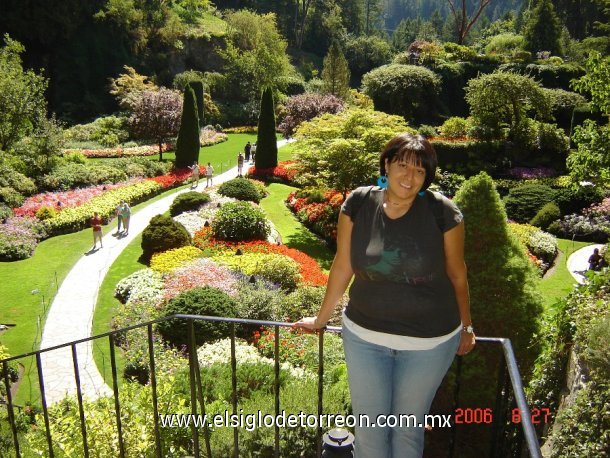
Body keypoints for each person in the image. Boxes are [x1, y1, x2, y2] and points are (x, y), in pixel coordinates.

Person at [295, 133, 475, 458]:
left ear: (427, 177)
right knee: (370, 434)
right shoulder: (360, 203)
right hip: (364, 337)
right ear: (387, 165)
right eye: (402, 166)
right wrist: (321, 319)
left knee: (406, 433)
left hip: (429, 344)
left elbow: (457, 274)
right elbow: (342, 265)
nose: (409, 177)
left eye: (419, 171)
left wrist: (467, 325)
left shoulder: (442, 213)